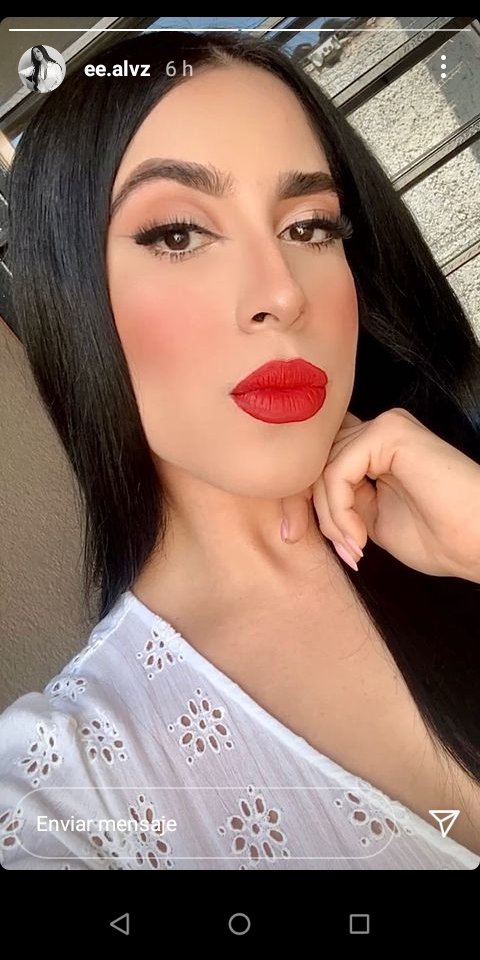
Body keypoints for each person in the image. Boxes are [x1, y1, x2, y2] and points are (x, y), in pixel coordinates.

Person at [1, 29, 479, 870]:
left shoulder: (456, 501)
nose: (282, 293)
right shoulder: (70, 791)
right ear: (71, 303)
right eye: (177, 234)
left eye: (311, 226)